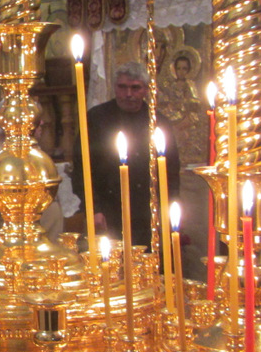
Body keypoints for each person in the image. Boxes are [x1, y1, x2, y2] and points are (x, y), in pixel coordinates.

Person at [72, 61, 181, 248]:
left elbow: (171, 170)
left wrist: (169, 208)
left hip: (148, 210)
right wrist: (94, 208)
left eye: (135, 88)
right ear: (115, 87)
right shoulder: (96, 118)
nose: (128, 94)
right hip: (109, 209)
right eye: (122, 87)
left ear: (146, 89)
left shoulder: (158, 122)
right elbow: (82, 167)